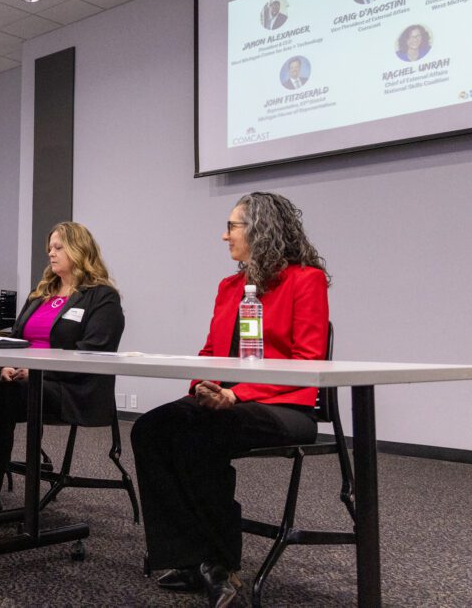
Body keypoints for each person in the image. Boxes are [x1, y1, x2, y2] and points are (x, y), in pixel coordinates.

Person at [132, 192, 330, 608]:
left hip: (285, 407)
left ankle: (219, 564)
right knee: (150, 429)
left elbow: (307, 363)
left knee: (199, 433)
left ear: (260, 229)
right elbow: (210, 353)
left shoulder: (304, 279)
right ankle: (185, 557)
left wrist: (237, 394)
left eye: (232, 226)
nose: (224, 236)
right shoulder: (229, 287)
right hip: (226, 400)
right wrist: (205, 388)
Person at [0, 221, 124, 518]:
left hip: (67, 387)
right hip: (24, 380)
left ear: (80, 249)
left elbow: (94, 351)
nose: (51, 253)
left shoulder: (101, 297)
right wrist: (8, 365)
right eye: (49, 248)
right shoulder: (41, 294)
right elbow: (15, 338)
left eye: (59, 247)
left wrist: (38, 372)